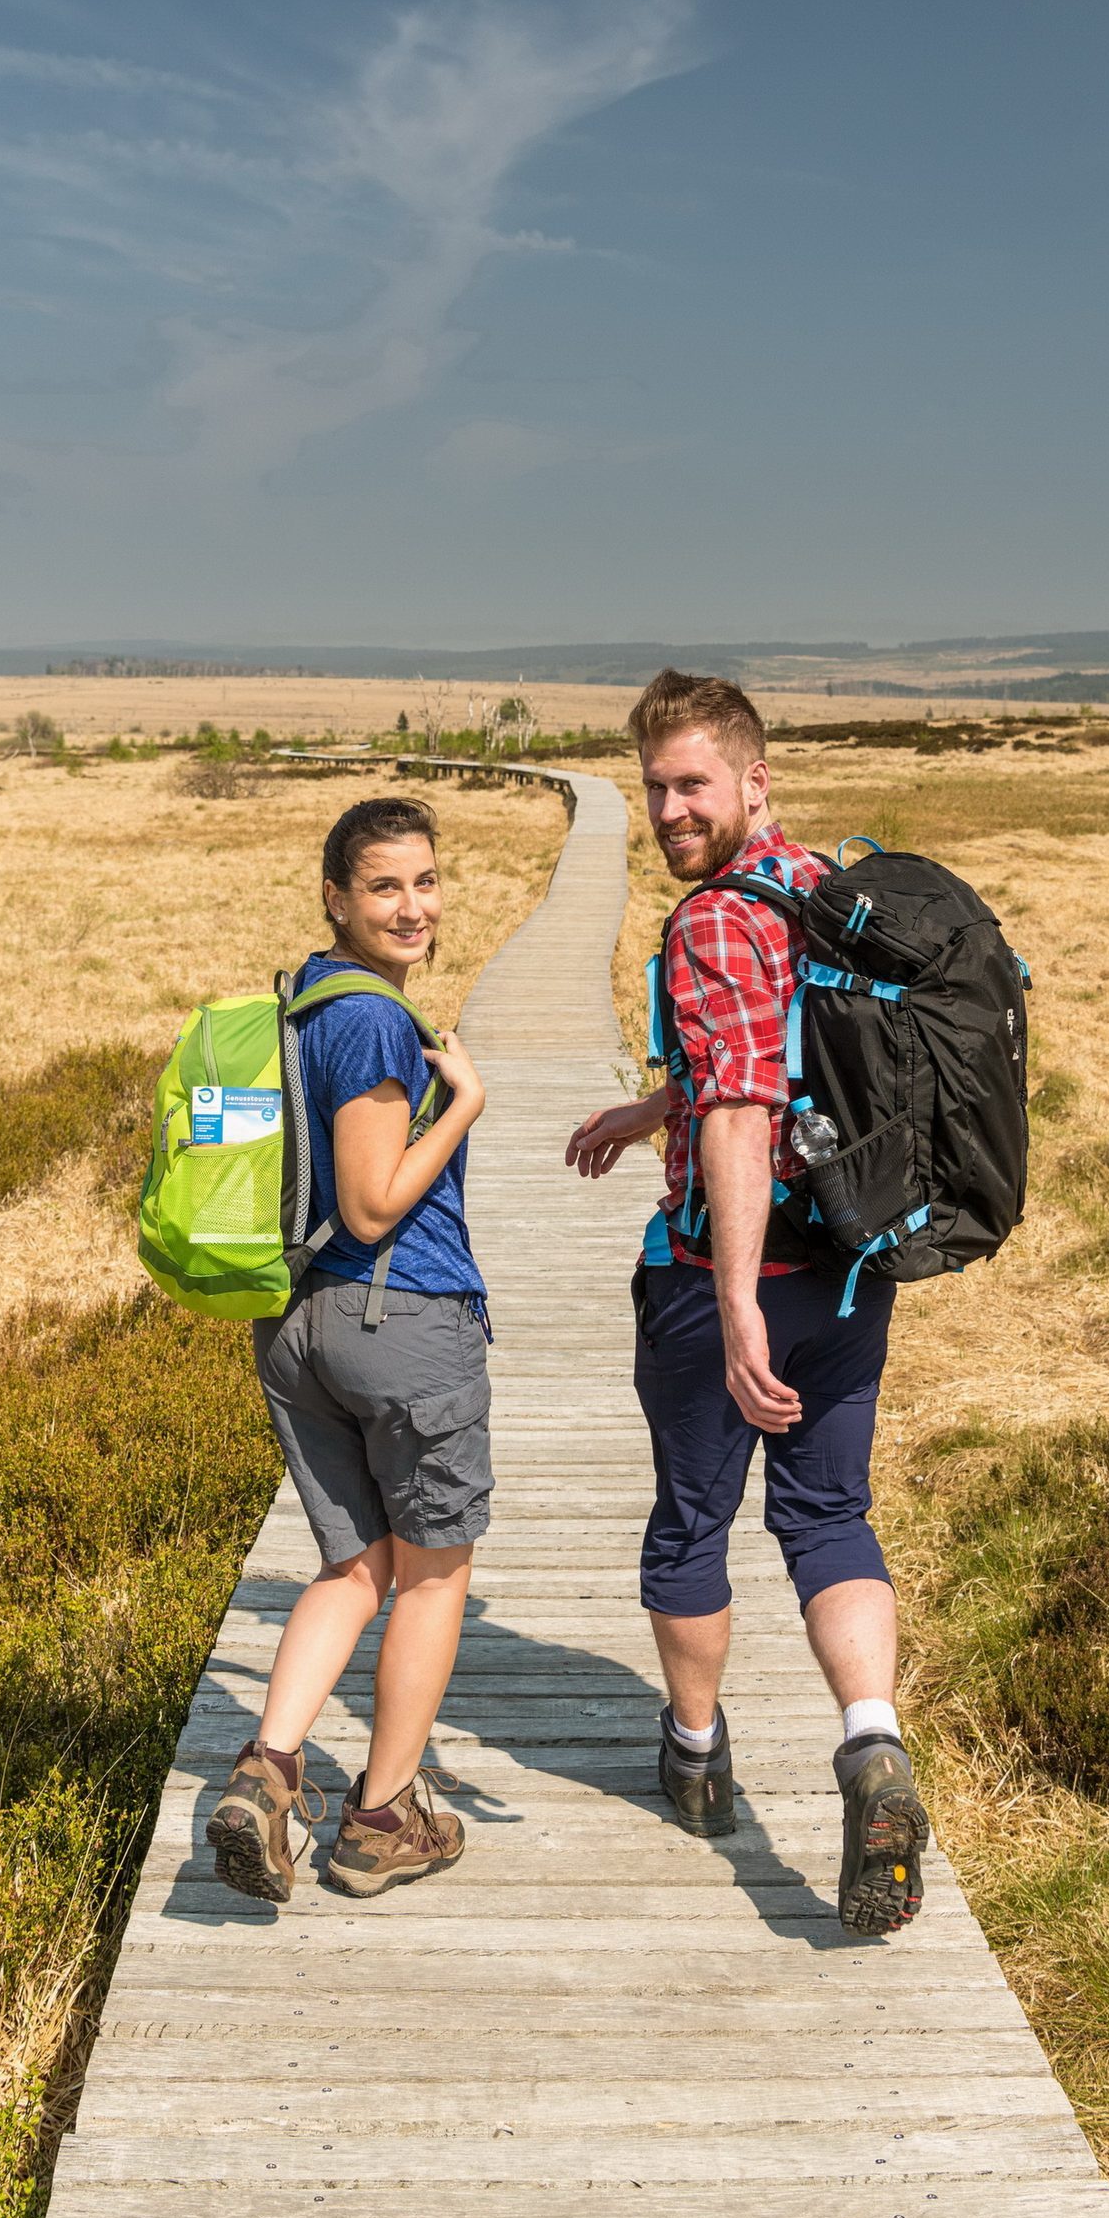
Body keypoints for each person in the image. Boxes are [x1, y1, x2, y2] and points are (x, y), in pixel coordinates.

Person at [564, 670, 928, 1934]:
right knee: (830, 1516)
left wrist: (729, 1303)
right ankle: (873, 1745)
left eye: (690, 785)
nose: (668, 808)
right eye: (654, 786)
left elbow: (742, 1104)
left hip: (737, 1278)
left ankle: (697, 1754)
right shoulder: (824, 886)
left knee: (691, 1525)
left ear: (751, 781)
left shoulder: (713, 921)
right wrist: (645, 1104)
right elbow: (778, 1052)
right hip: (849, 1267)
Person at [207, 796, 489, 1904]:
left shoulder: (304, 1000)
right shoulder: (374, 1021)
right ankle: (381, 1820)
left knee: (352, 1564)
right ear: (335, 895)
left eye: (425, 882)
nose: (412, 906)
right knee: (431, 1571)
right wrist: (461, 1104)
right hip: (397, 1320)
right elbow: (372, 1205)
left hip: (295, 1330)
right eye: (384, 886)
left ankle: (267, 1775)